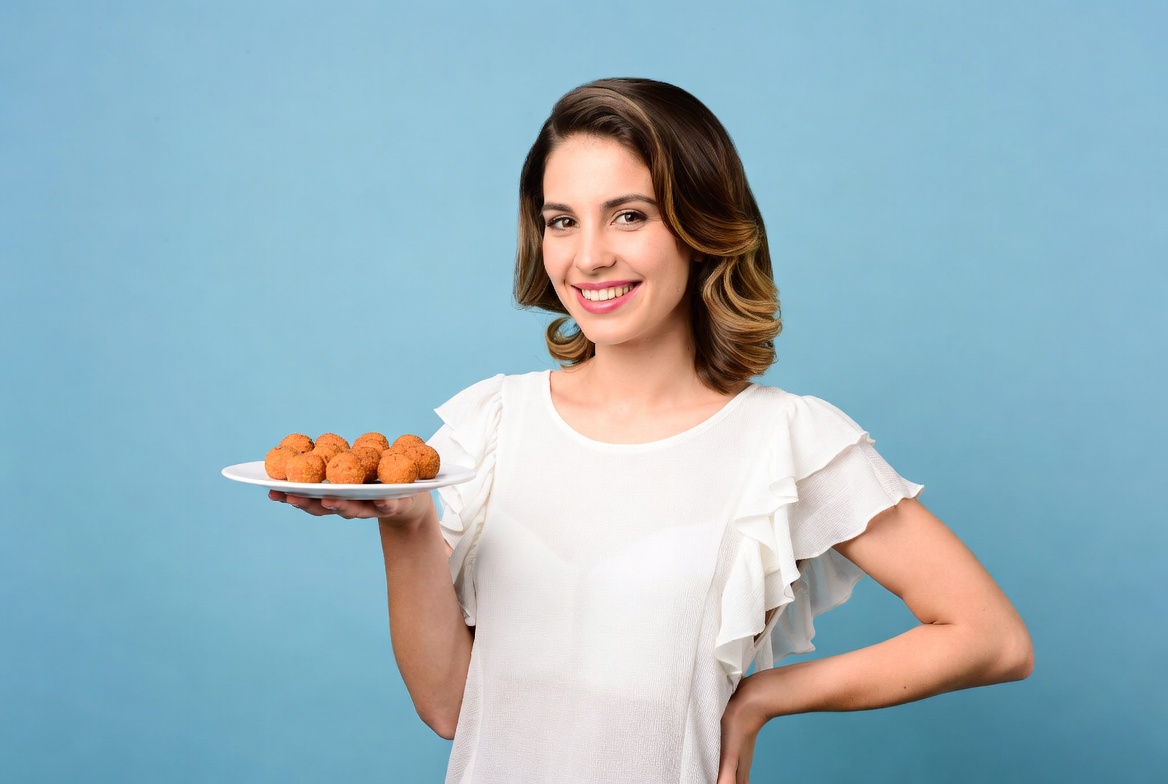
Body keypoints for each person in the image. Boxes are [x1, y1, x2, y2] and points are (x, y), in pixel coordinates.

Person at [270, 78, 1033, 784]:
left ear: (702, 226)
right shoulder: (492, 423)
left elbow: (991, 638)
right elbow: (447, 709)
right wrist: (405, 523)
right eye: (562, 221)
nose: (589, 255)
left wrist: (764, 696)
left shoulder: (785, 439)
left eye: (629, 215)